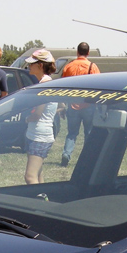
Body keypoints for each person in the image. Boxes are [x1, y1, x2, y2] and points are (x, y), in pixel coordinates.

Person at [60, 42, 100, 166]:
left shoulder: (69, 66)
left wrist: (62, 105)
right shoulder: (93, 67)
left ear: (77, 52)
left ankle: (66, 154)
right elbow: (98, 86)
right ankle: (87, 158)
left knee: (72, 133)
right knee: (88, 132)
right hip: (88, 105)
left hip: (72, 105)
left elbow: (63, 86)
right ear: (88, 53)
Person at [22, 49, 57, 184]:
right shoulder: (48, 82)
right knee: (38, 175)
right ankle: (43, 202)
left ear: (40, 66)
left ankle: (38, 204)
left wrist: (26, 119)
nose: (29, 66)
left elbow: (38, 113)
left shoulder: (44, 84)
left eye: (32, 64)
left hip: (39, 135)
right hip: (38, 134)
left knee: (30, 177)